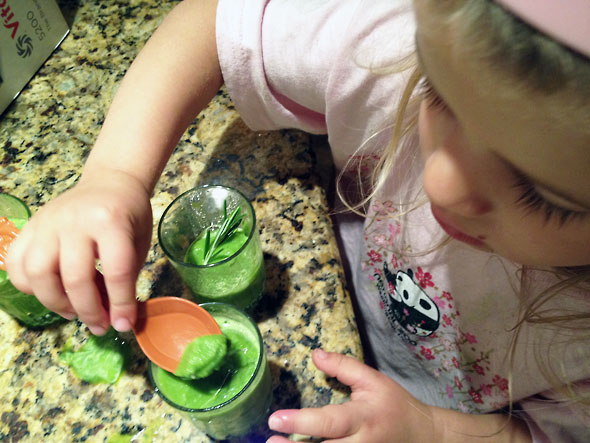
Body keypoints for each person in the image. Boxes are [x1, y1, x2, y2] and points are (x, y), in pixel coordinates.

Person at [6, 0, 590, 440]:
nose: (442, 182)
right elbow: (214, 22)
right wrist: (115, 174)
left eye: (546, 197)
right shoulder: (388, 48)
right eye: (439, 94)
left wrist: (436, 431)